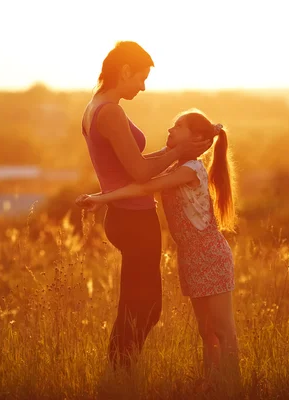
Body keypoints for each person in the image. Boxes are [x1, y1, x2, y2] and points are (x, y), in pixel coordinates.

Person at [77, 109, 240, 386]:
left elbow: (143, 188)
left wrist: (101, 198)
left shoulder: (191, 169)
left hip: (211, 255)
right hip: (190, 257)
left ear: (196, 137)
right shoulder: (176, 167)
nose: (170, 129)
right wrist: (104, 194)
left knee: (223, 330)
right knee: (206, 330)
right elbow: (141, 168)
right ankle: (212, 384)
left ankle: (233, 386)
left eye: (178, 126)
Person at [81, 41, 211, 369]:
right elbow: (139, 172)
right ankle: (121, 367)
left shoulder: (95, 106)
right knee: (147, 307)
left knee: (135, 304)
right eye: (141, 77)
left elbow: (134, 163)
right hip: (134, 219)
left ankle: (120, 370)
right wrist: (179, 154)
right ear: (124, 71)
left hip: (125, 215)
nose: (143, 86)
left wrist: (180, 154)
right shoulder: (109, 111)